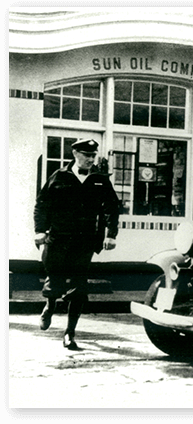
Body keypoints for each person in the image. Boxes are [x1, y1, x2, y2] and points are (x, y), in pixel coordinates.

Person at [34, 139, 120, 350]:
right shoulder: (59, 176)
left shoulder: (100, 180)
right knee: (54, 281)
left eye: (93, 155)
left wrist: (111, 234)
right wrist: (39, 231)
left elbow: (112, 207)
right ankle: (49, 306)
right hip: (58, 239)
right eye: (86, 155)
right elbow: (42, 204)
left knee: (78, 288)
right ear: (75, 153)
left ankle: (69, 333)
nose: (91, 159)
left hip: (84, 241)